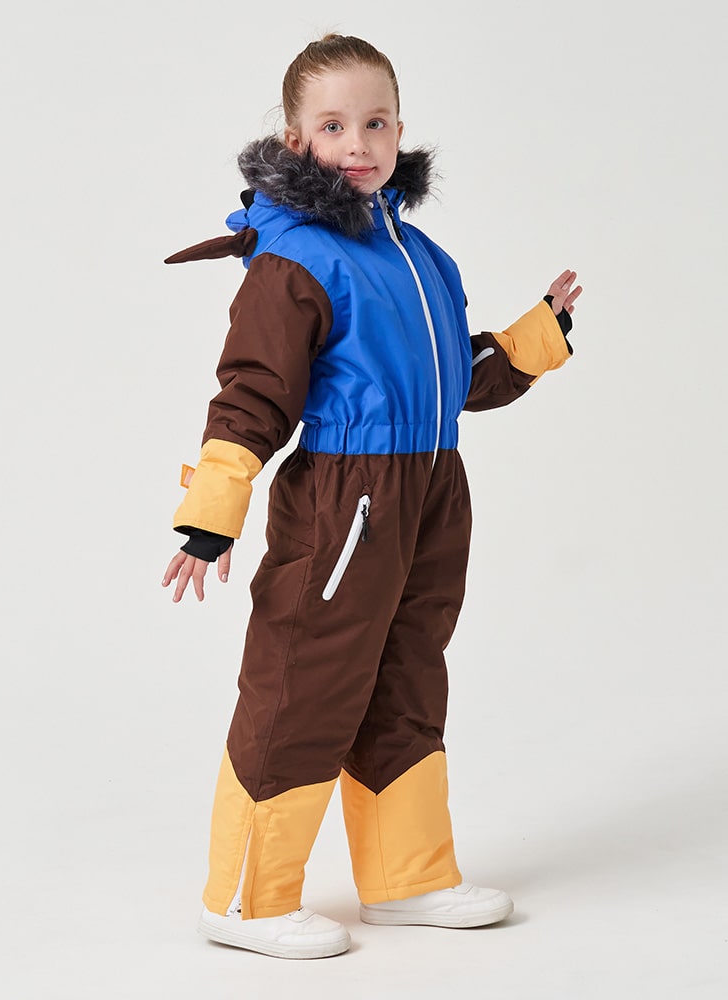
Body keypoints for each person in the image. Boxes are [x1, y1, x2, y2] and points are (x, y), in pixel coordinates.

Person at [162, 33, 582, 960]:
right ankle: (245, 898)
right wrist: (211, 515)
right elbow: (253, 393)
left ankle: (407, 878)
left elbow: (448, 376)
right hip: (344, 503)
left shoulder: (420, 254)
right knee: (305, 681)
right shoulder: (296, 258)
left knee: (406, 678)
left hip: (430, 491)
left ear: (400, 130)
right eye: (333, 125)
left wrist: (535, 336)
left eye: (377, 122)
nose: (358, 143)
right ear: (295, 137)